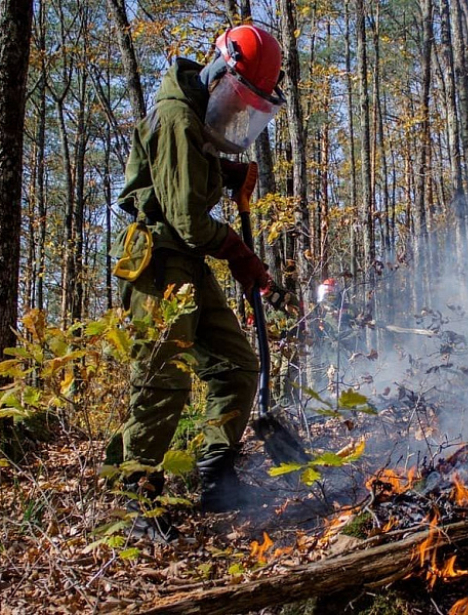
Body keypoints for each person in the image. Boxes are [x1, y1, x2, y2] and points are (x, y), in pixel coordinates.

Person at [106, 24, 286, 542]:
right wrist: (238, 251)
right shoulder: (176, 117)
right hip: (160, 257)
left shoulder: (196, 116)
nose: (237, 109)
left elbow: (186, 174)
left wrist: (227, 176)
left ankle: (216, 477)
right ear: (221, 71)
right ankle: (135, 490)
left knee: (236, 365)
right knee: (163, 376)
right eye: (238, 95)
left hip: (185, 257)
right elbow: (185, 215)